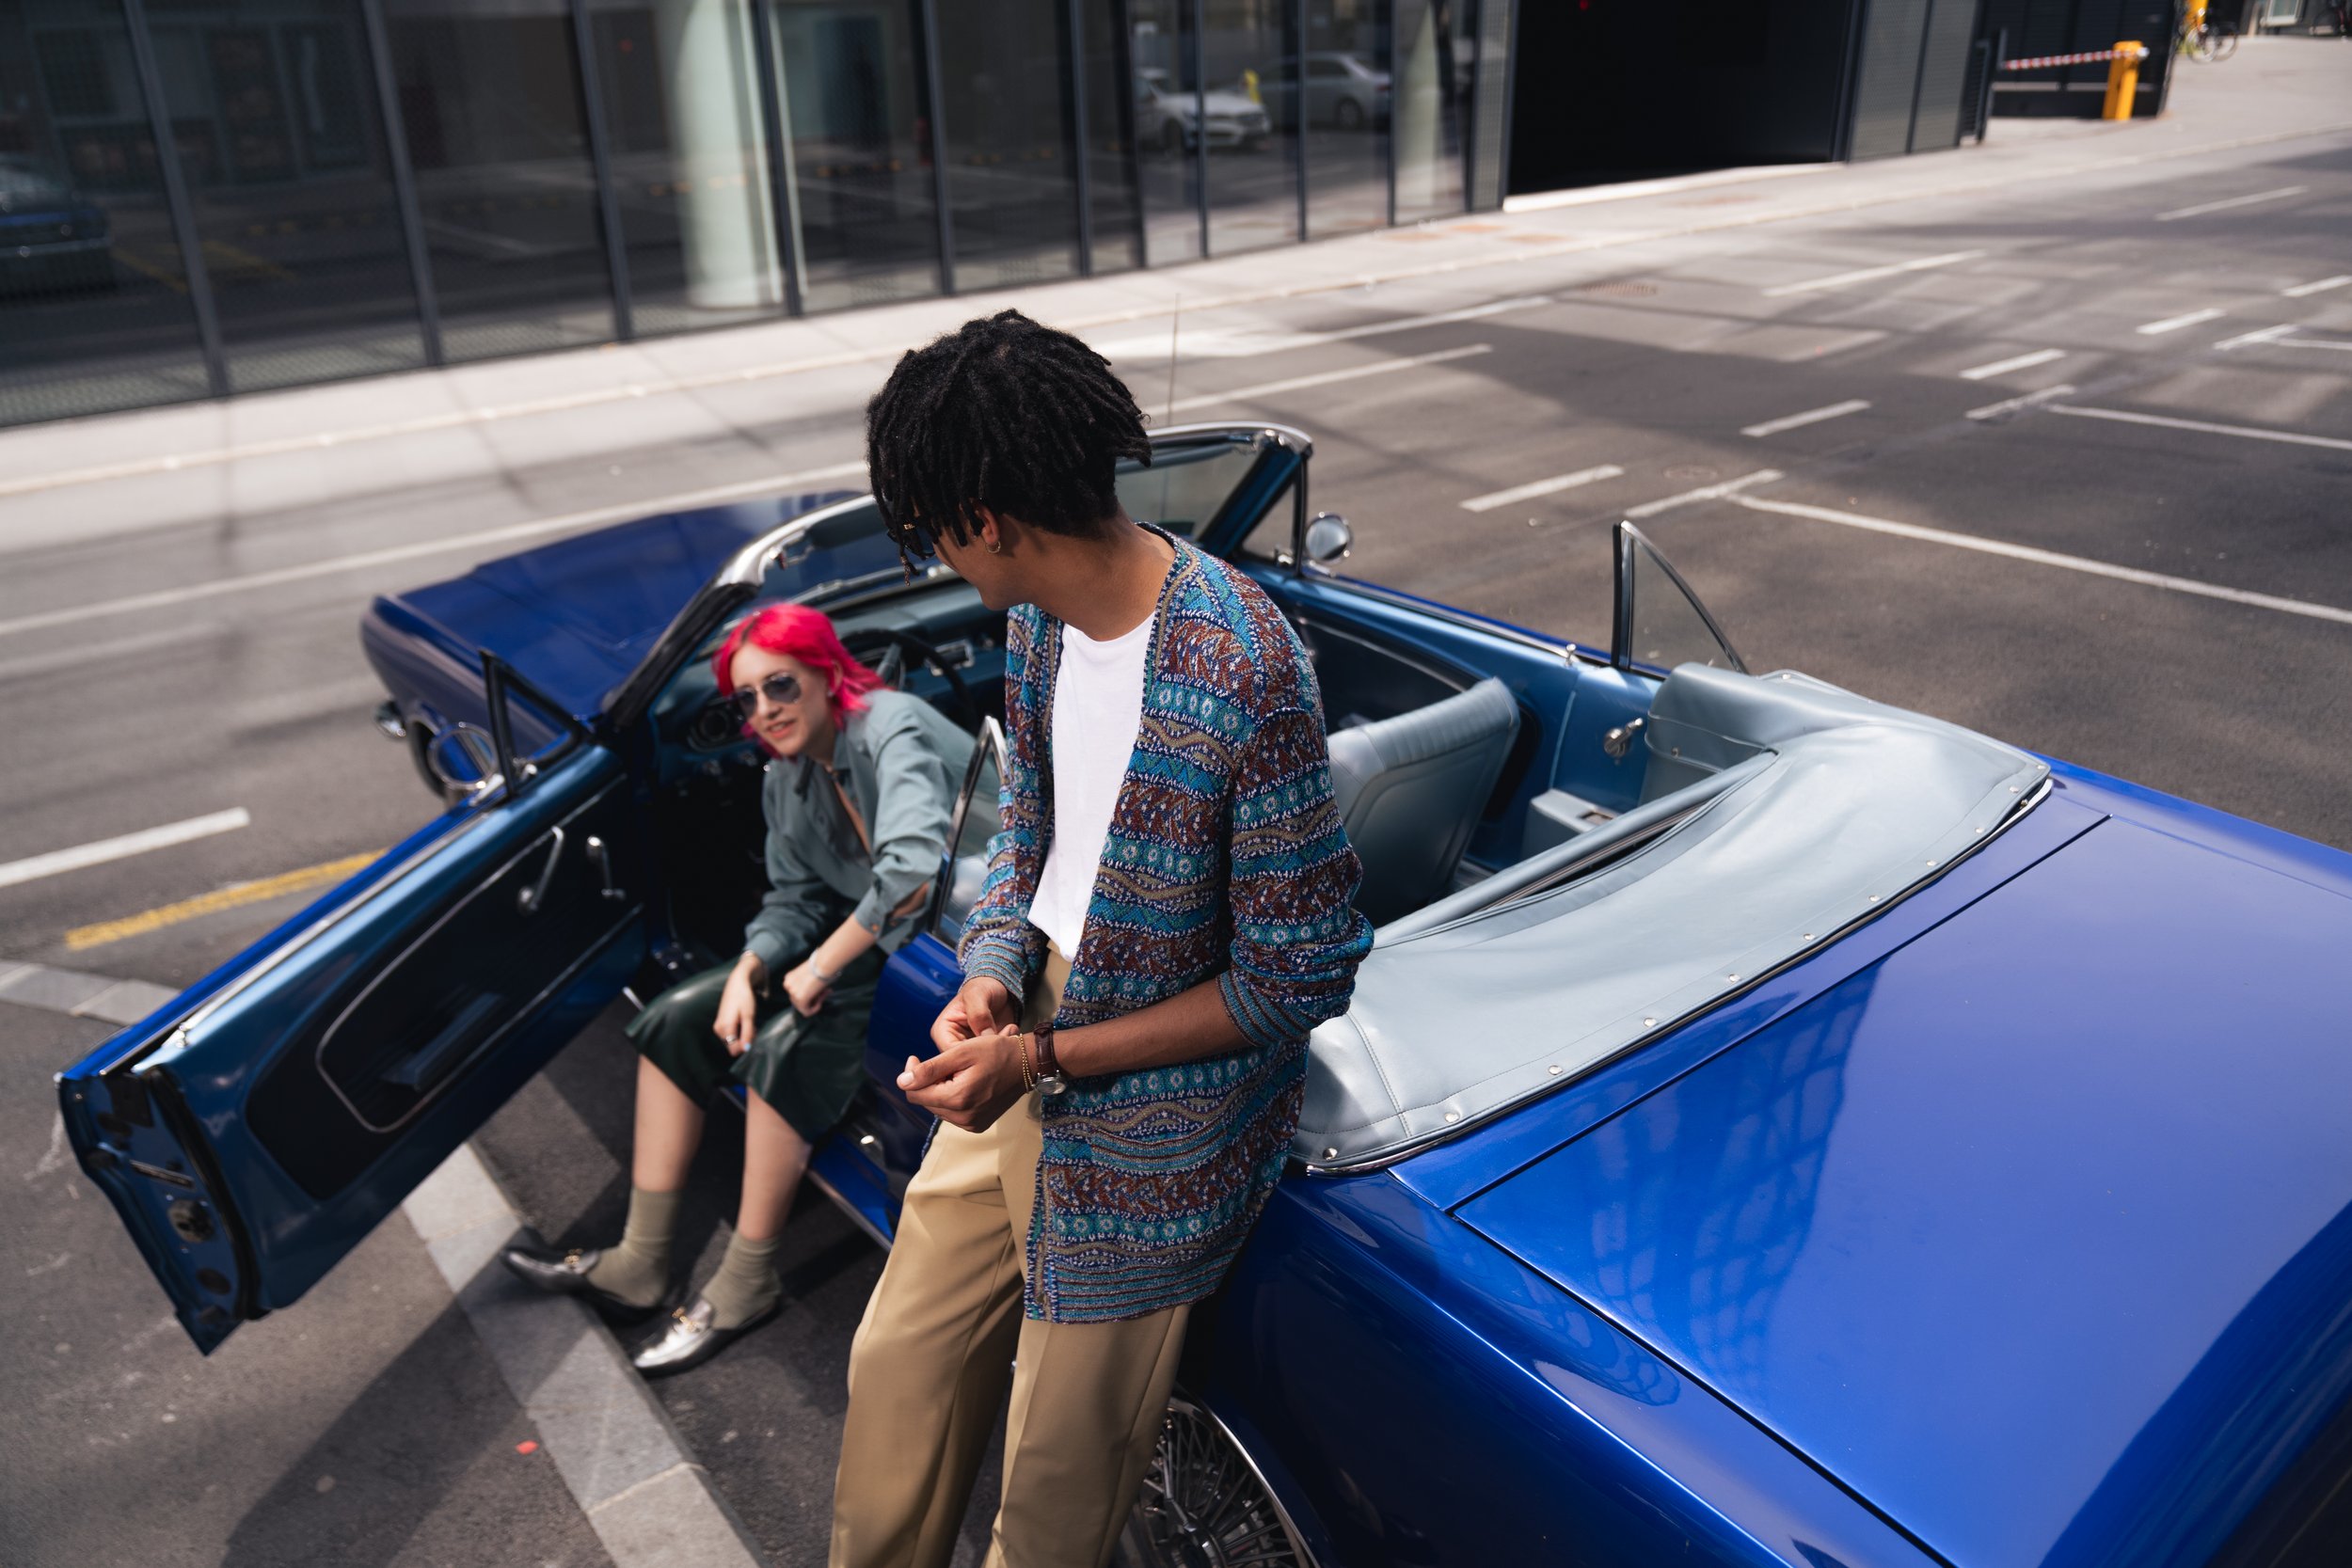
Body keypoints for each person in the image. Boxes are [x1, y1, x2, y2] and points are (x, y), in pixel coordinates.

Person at [830, 309, 1373, 1568]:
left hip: (1157, 1125)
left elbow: (1299, 975)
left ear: (988, 520)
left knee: (1051, 1489)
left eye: (932, 530)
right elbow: (1031, 827)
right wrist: (989, 971)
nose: (935, 558)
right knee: (898, 1364)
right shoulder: (1037, 618)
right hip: (1028, 1038)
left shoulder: (1245, 667)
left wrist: (1043, 1056)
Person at [503, 604, 971, 1376]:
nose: (764, 709)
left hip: (952, 944)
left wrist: (817, 967)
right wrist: (751, 970)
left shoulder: (890, 724)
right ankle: (640, 1260)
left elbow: (915, 871)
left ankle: (748, 1280)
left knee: (783, 1048)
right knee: (676, 1017)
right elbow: (793, 897)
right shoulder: (787, 775)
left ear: (827, 672)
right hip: (865, 940)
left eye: (779, 684)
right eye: (746, 698)